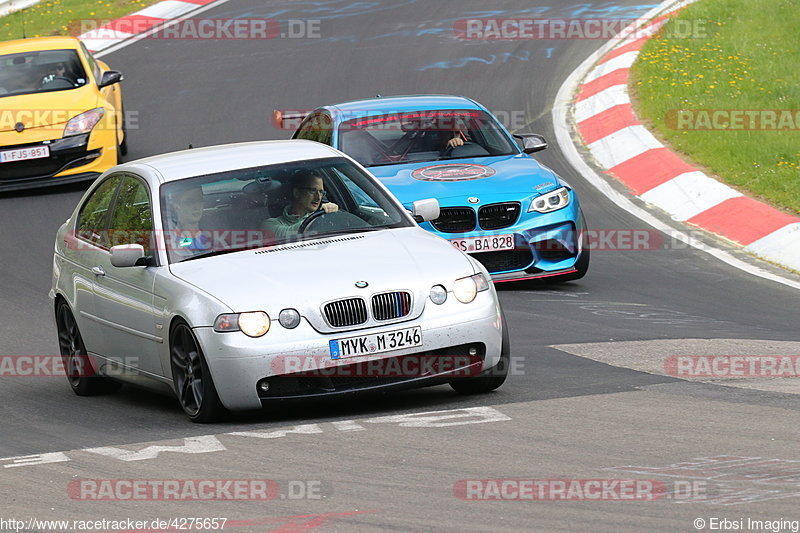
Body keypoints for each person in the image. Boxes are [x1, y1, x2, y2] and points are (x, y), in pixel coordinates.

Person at [262, 172, 338, 240]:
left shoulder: (322, 214)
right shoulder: (269, 224)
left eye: (321, 192)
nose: (318, 197)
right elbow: (291, 233)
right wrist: (322, 217)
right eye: (313, 190)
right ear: (297, 193)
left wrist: (335, 214)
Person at [165, 184, 211, 257]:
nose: (197, 207)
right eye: (190, 202)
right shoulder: (168, 240)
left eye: (200, 201)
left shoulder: (213, 231)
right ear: (176, 206)